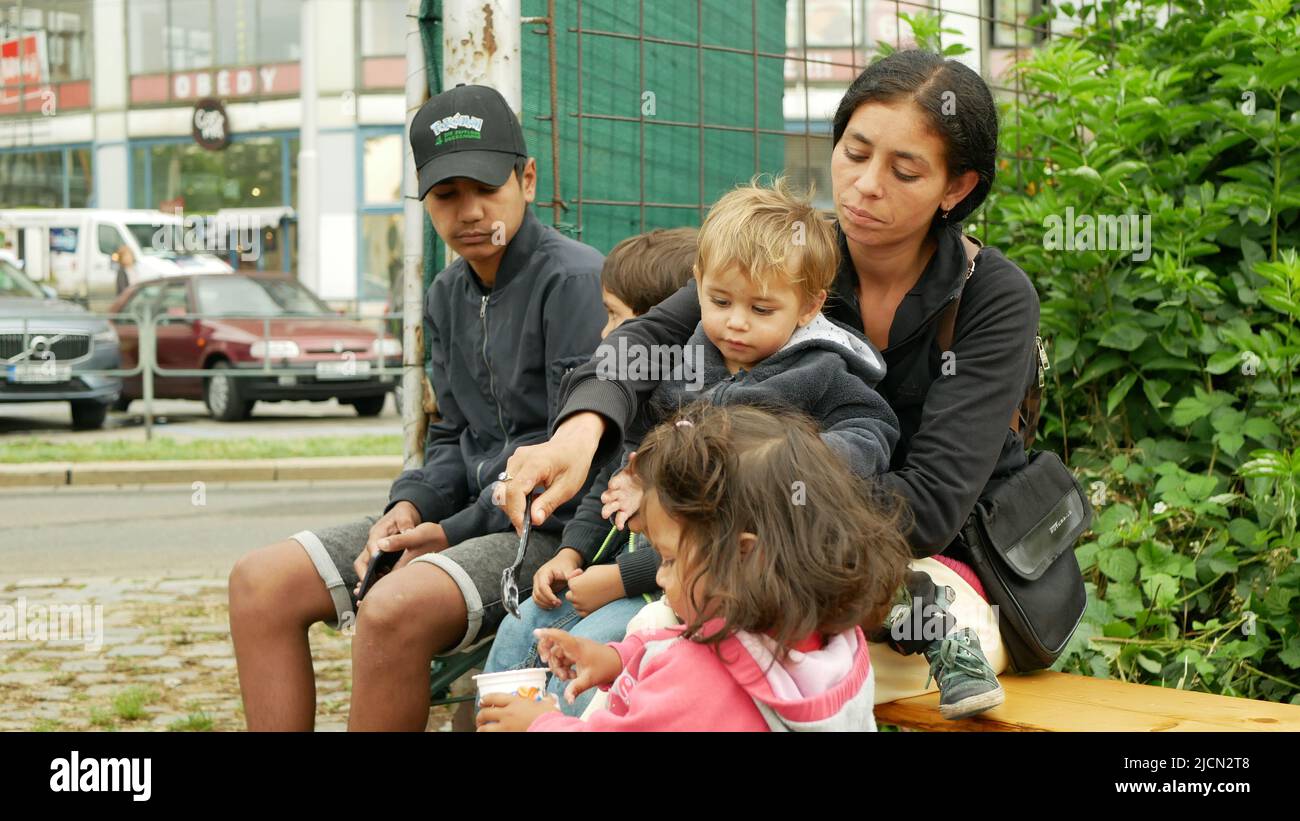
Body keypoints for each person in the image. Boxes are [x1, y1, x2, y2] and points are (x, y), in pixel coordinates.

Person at [503, 50, 1040, 719]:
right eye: (854, 151)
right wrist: (581, 431)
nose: (865, 185)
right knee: (539, 630)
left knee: (664, 658)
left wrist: (702, 503)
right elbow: (644, 339)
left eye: (904, 170)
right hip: (731, 555)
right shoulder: (788, 255)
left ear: (955, 189)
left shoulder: (992, 298)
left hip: (907, 570)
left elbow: (927, 507)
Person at [227, 84, 606, 731]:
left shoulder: (575, 281)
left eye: (487, 186)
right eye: (447, 195)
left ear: (528, 178)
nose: (470, 210)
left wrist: (451, 528)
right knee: (259, 583)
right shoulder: (447, 291)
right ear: (426, 202)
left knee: (391, 608)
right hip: (461, 521)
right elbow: (451, 436)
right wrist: (409, 505)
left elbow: (572, 465)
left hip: (550, 535)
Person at [486, 178, 901, 714]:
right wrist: (575, 550)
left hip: (713, 588)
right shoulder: (682, 363)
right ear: (697, 283)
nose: (735, 322)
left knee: (602, 674)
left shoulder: (822, 372)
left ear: (808, 306)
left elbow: (871, 434)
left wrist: (771, 463)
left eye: (761, 309)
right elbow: (625, 470)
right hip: (644, 565)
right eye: (720, 300)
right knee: (520, 628)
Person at [477, 403, 912, 731]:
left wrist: (540, 723)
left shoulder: (697, 679)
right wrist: (616, 658)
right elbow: (714, 644)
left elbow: (698, 672)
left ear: (745, 554)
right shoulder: (829, 643)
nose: (661, 578)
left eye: (667, 559)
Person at [482, 227, 698, 715]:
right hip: (611, 576)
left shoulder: (700, 415)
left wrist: (619, 577)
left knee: (586, 654)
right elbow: (602, 489)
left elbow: (701, 542)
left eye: (616, 318)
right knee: (524, 624)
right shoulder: (633, 410)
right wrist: (570, 552)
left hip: (659, 591)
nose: (605, 335)